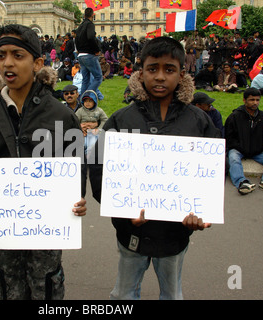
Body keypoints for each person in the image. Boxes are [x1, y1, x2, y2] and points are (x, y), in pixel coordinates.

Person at [0, 24, 86, 300]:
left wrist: (77, 201)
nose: (8, 63)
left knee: (46, 286)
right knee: (10, 287)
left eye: (18, 55)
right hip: (1, 231)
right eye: (1, 55)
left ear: (38, 62)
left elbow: (76, 173)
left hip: (46, 230)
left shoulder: (62, 116)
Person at [89, 37, 219, 300]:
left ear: (182, 74)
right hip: (132, 233)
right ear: (141, 71)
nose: (160, 77)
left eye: (169, 70)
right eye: (152, 69)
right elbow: (98, 167)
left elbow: (210, 174)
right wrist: (123, 210)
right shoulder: (122, 119)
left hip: (174, 236)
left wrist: (202, 212)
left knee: (172, 295)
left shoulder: (198, 122)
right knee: (123, 294)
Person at [224, 88, 263, 195]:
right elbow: (229, 137)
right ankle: (242, 182)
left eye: (257, 100)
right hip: (239, 149)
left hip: (257, 151)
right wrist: (240, 147)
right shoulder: (234, 116)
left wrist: (259, 147)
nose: (255, 103)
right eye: (252, 100)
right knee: (233, 158)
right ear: (244, 100)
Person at [75, 7, 102, 96]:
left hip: (81, 55)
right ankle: (86, 96)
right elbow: (90, 37)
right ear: (92, 15)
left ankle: (82, 99)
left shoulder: (80, 26)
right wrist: (96, 50)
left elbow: (76, 39)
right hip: (89, 54)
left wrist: (78, 50)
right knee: (98, 77)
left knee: (85, 80)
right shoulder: (90, 24)